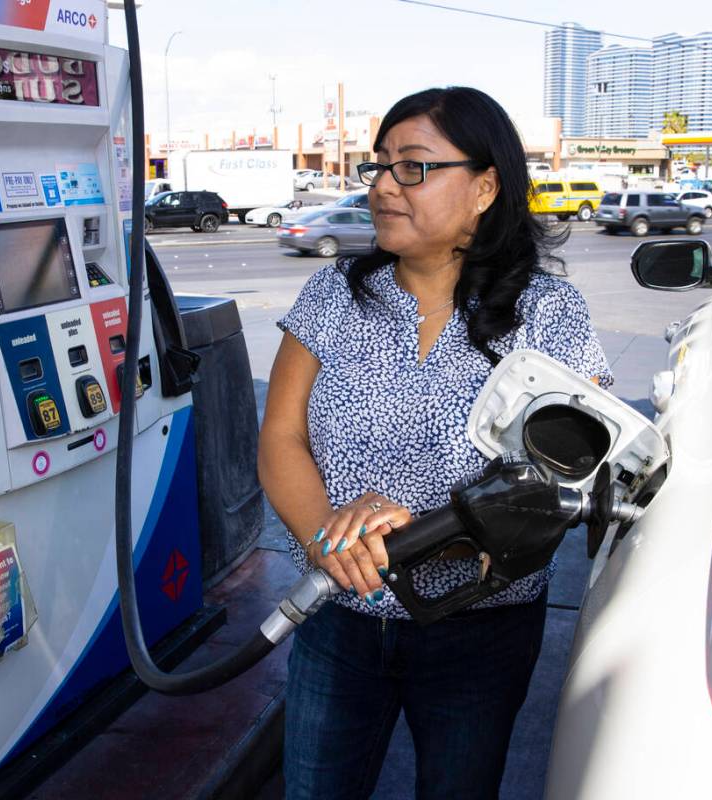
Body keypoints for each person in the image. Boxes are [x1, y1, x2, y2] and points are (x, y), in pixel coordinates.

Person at [257, 86, 613, 800]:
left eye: (412, 167)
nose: (385, 185)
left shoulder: (547, 314)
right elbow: (280, 435)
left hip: (478, 631)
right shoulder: (332, 296)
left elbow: (578, 476)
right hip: (339, 618)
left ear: (484, 186)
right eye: (379, 165)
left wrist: (435, 530)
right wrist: (331, 539)